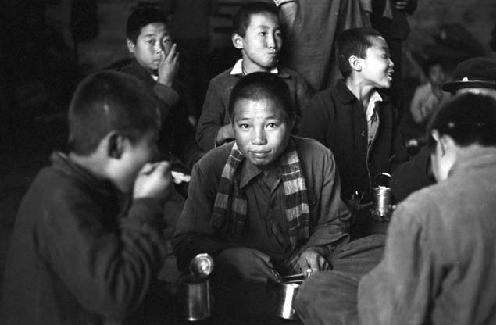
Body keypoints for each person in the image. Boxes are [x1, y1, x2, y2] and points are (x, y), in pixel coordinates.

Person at [174, 72, 356, 324]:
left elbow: (334, 221)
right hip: (238, 282)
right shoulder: (210, 167)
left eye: (271, 125)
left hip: (300, 275)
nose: (258, 140)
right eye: (245, 126)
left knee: (369, 255)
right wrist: (229, 257)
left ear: (291, 122)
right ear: (232, 125)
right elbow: (185, 242)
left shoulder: (318, 157)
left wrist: (315, 250)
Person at [1, 71, 178, 324]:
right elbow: (116, 295)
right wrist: (146, 205)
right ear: (116, 146)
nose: (154, 154)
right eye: (150, 144)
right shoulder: (59, 196)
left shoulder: (92, 188)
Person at [358, 93, 496, 324]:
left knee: (320, 290)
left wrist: (374, 285)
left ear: (442, 144)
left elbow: (392, 318)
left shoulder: (423, 209)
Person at [300, 27, 403, 210]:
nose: (392, 63)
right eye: (384, 56)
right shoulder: (322, 107)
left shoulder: (387, 108)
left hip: (378, 211)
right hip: (333, 215)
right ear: (356, 63)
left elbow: (400, 162)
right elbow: (310, 172)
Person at [195, 2, 312, 152]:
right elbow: (203, 135)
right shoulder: (220, 84)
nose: (273, 44)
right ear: (238, 41)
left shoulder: (294, 82)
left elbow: (313, 130)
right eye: (263, 34)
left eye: (277, 34)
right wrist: (230, 131)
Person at [390, 56, 496, 203]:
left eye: (481, 100)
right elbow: (398, 185)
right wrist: (432, 164)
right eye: (464, 100)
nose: (471, 108)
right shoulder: (450, 142)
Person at [120, 6, 202, 171]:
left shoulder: (176, 83)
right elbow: (141, 132)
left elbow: (183, 138)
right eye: (150, 41)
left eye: (165, 40)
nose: (159, 49)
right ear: (131, 45)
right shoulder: (123, 82)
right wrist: (164, 85)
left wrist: (201, 164)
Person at [274, 0, 366, 91]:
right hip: (308, 10)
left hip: (346, 6)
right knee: (307, 77)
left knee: (346, 68)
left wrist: (366, 9)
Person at [409, 57, 450, 128]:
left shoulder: (448, 91)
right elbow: (416, 116)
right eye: (434, 73)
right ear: (428, 76)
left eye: (441, 71)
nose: (439, 76)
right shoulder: (421, 91)